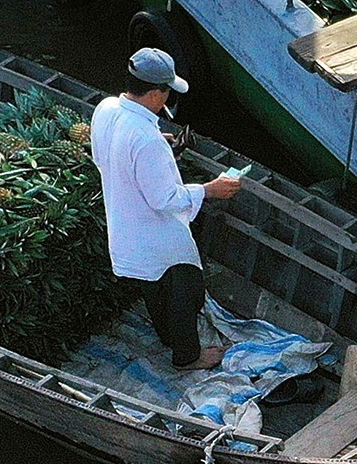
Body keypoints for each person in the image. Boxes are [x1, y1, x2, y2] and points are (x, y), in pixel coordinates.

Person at [90, 46, 243, 372]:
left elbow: (104, 157)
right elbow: (164, 199)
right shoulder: (146, 139)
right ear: (158, 93)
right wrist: (209, 190)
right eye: (167, 91)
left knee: (152, 284)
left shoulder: (105, 109)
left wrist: (160, 145)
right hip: (157, 229)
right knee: (185, 286)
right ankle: (187, 356)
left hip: (124, 222)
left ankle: (166, 336)